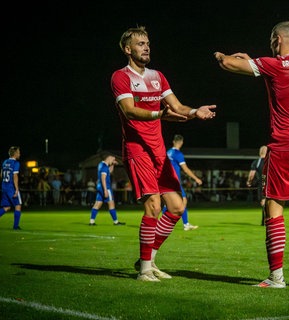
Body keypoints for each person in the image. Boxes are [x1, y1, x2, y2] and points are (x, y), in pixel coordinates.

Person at [214, 21, 289, 290]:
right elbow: (287, 74)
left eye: (271, 41)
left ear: (277, 39)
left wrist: (221, 56)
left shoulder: (274, 64)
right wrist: (254, 62)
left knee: (273, 207)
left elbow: (227, 64)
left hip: (286, 143)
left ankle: (276, 277)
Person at [111, 26, 216, 282]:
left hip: (159, 152)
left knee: (177, 207)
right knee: (153, 205)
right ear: (128, 49)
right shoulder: (120, 77)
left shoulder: (158, 76)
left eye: (148, 43)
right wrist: (160, 114)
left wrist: (194, 112)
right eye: (140, 44)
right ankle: (145, 270)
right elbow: (129, 111)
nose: (146, 47)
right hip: (137, 150)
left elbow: (177, 106)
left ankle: (149, 259)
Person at [163, 134, 201, 231]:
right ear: (182, 142)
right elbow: (185, 169)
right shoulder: (178, 154)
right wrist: (196, 178)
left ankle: (182, 224)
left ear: (173, 141)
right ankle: (185, 224)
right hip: (174, 181)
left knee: (168, 203)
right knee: (183, 201)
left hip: (167, 180)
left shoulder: (168, 153)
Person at [0, 146, 23, 230]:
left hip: (4, 186)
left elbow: (1, 175)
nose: (19, 154)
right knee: (18, 205)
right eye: (18, 152)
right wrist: (16, 189)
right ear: (15, 154)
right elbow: (15, 176)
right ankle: (15, 226)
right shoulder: (16, 163)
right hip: (11, 187)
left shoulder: (5, 162)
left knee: (6, 207)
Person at [89, 153, 125, 226]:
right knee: (111, 204)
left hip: (100, 187)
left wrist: (112, 165)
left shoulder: (101, 165)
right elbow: (103, 178)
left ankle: (91, 221)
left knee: (97, 204)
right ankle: (116, 222)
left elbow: (109, 172)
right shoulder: (104, 166)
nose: (113, 160)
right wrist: (105, 190)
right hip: (106, 187)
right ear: (109, 158)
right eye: (113, 159)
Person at [247, 145, 267, 226]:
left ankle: (264, 220)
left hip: (262, 183)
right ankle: (267, 220)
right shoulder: (270, 161)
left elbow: (252, 175)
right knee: (270, 202)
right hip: (271, 183)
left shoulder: (257, 162)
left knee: (263, 202)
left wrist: (249, 182)